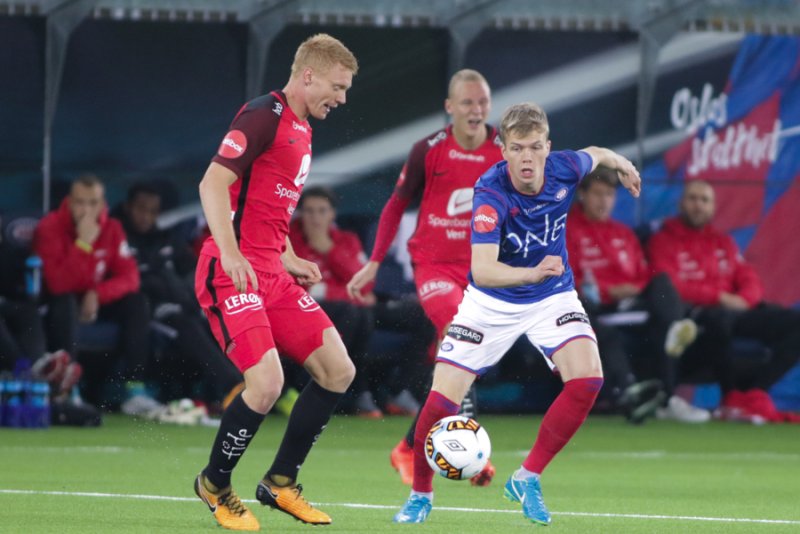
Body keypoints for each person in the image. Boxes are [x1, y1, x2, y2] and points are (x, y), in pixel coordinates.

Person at [392, 102, 641, 526]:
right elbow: (485, 271)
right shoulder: (490, 193)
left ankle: (527, 477)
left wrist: (621, 163)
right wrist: (534, 270)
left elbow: (597, 152)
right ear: (503, 150)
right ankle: (420, 494)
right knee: (438, 403)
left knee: (588, 380)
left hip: (551, 297)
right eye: (518, 148)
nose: (528, 157)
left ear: (549, 147)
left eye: (536, 147)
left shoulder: (565, 168)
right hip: (491, 304)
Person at [192, 34, 359, 531]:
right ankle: (215, 484)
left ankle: (280, 482)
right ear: (309, 75)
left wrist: (288, 256)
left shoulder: (303, 129)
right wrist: (230, 251)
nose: (343, 97)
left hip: (269, 270)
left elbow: (267, 202)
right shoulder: (264, 113)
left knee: (338, 370)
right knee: (267, 384)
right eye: (338, 85)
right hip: (232, 270)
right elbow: (213, 183)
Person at [347, 68, 502, 487]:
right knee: (462, 333)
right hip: (433, 265)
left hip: (482, 270)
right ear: (450, 108)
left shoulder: (504, 150)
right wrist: (375, 261)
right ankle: (471, 452)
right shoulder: (428, 149)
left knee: (466, 362)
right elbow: (397, 205)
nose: (476, 110)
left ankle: (408, 446)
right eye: (467, 103)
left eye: (483, 102)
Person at [647, 180, 800, 423]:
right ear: (681, 203)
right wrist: (719, 298)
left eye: (704, 200)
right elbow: (669, 284)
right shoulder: (663, 239)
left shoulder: (722, 241)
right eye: (693, 198)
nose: (698, 205)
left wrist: (745, 299)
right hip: (697, 314)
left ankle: (752, 394)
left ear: (713, 207)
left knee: (795, 323)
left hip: (736, 310)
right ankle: (730, 397)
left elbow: (749, 278)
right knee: (720, 320)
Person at [566, 169, 709, 423]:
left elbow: (643, 273)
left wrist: (633, 287)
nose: (604, 201)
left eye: (609, 194)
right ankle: (630, 393)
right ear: (583, 195)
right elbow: (566, 278)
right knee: (582, 307)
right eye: (598, 193)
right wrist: (609, 290)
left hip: (631, 302)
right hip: (594, 306)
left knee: (661, 285)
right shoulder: (569, 229)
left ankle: (674, 340)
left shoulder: (623, 233)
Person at [288, 186, 424, 418]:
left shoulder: (346, 240)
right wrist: (343, 293)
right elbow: (296, 289)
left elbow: (364, 283)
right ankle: (355, 393)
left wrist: (327, 249)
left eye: (322, 211)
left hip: (355, 305)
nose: (316, 218)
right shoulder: (290, 241)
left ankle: (399, 390)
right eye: (309, 212)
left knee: (421, 315)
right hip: (311, 311)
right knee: (355, 313)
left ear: (332, 214)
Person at [32, 174, 158, 416]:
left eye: (93, 203)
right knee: (65, 302)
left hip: (94, 300)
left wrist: (97, 294)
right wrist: (83, 244)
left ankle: (134, 390)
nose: (86, 209)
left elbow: (130, 277)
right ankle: (68, 387)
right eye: (80, 202)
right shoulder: (50, 227)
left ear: (102, 204)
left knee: (137, 302)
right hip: (58, 303)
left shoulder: (112, 228)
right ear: (69, 202)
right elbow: (58, 284)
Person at [117, 182, 244, 408]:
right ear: (128, 207)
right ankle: (233, 387)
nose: (146, 216)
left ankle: (259, 385)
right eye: (141, 209)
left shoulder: (164, 238)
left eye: (152, 211)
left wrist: (191, 297)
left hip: (180, 305)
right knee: (186, 325)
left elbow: (195, 272)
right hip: (143, 310)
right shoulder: (118, 235)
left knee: (221, 318)